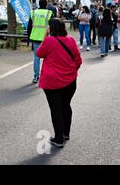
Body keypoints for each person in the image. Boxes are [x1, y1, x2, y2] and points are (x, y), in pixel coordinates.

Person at [36, 18, 82, 148]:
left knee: (56, 109)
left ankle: (58, 138)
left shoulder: (49, 41)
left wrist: (45, 37)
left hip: (52, 83)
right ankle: (66, 134)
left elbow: (39, 53)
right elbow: (78, 59)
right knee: (66, 106)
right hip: (70, 81)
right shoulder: (71, 40)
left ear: (51, 28)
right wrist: (71, 72)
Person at [27, 0, 53, 84]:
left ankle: (36, 77)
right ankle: (47, 76)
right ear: (46, 5)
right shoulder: (49, 13)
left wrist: (29, 37)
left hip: (35, 37)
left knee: (36, 57)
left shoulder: (33, 12)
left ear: (39, 4)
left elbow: (29, 26)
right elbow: (53, 26)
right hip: (46, 38)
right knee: (48, 57)